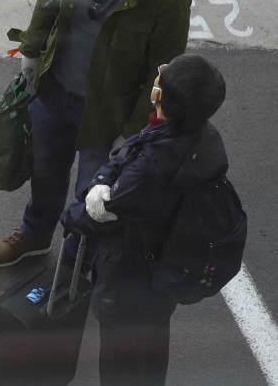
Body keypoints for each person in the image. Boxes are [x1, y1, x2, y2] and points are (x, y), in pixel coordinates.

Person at [0, 0, 191, 266]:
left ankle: (77, 262)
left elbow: (160, 75)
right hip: (54, 91)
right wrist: (31, 50)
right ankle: (35, 235)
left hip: (107, 114)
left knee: (92, 196)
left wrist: (131, 132)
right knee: (46, 174)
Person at [61, 54, 228, 385]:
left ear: (159, 97)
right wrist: (105, 180)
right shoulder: (201, 136)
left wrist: (71, 213)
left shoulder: (153, 168)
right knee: (150, 354)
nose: (159, 75)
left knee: (121, 366)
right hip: (164, 271)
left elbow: (95, 214)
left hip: (130, 280)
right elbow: (127, 158)